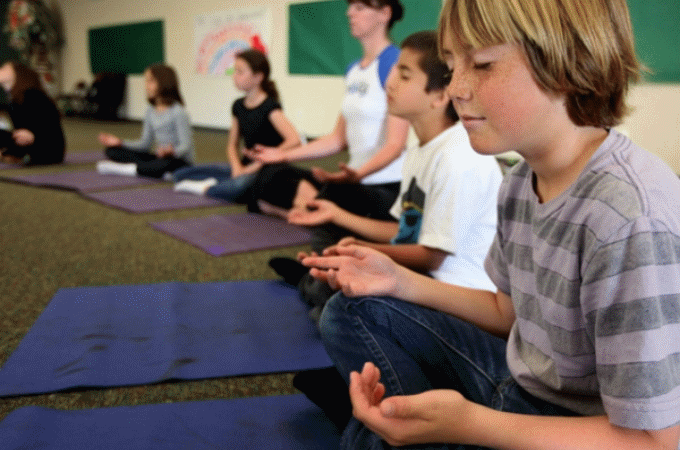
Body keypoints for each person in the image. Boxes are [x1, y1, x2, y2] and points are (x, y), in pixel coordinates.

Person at [301, 0, 680, 448]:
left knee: (375, 436)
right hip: (518, 382)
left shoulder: (627, 217)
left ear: (567, 64)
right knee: (350, 310)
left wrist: (470, 423)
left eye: (481, 64)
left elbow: (654, 441)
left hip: (578, 428)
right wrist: (398, 281)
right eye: (450, 65)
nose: (457, 87)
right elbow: (508, 311)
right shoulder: (520, 182)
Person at [277, 30, 502, 317]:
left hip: (452, 292)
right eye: (394, 71)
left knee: (339, 311)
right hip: (423, 276)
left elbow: (431, 257)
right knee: (338, 286)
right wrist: (336, 216)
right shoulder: (420, 149)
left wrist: (359, 250)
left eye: (404, 76)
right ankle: (316, 280)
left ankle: (312, 284)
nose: (390, 83)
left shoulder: (457, 157)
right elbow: (404, 231)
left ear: (439, 96)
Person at [246, 0, 410, 225]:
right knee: (270, 173)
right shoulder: (353, 70)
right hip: (352, 179)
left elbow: (395, 145)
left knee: (336, 196)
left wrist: (358, 175)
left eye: (359, 8)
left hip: (384, 184)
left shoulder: (395, 64)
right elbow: (337, 139)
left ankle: (312, 210)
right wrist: (281, 155)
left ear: (384, 13)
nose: (349, 13)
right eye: (351, 6)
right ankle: (314, 209)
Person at [172, 49, 300, 202]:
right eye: (234, 71)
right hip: (244, 165)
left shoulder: (270, 107)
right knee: (180, 174)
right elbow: (231, 145)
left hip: (266, 168)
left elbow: (294, 140)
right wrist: (237, 167)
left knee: (238, 187)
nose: (234, 76)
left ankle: (206, 188)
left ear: (258, 77)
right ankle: (217, 183)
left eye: (240, 72)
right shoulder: (238, 106)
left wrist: (252, 168)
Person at [96, 64, 193, 179]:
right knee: (112, 151)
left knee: (166, 163)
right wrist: (120, 142)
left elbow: (185, 146)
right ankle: (155, 171)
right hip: (160, 158)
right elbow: (145, 144)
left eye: (150, 81)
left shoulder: (178, 112)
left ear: (164, 82)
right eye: (146, 81)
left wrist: (171, 151)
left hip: (179, 161)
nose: (146, 86)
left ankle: (130, 169)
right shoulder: (150, 111)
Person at [0, 61, 65, 165]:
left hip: (47, 148)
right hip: (29, 143)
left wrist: (33, 136)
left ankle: (10, 155)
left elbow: (50, 129)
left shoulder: (33, 95)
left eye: (4, 68)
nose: (0, 70)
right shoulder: (15, 100)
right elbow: (20, 132)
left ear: (17, 74)